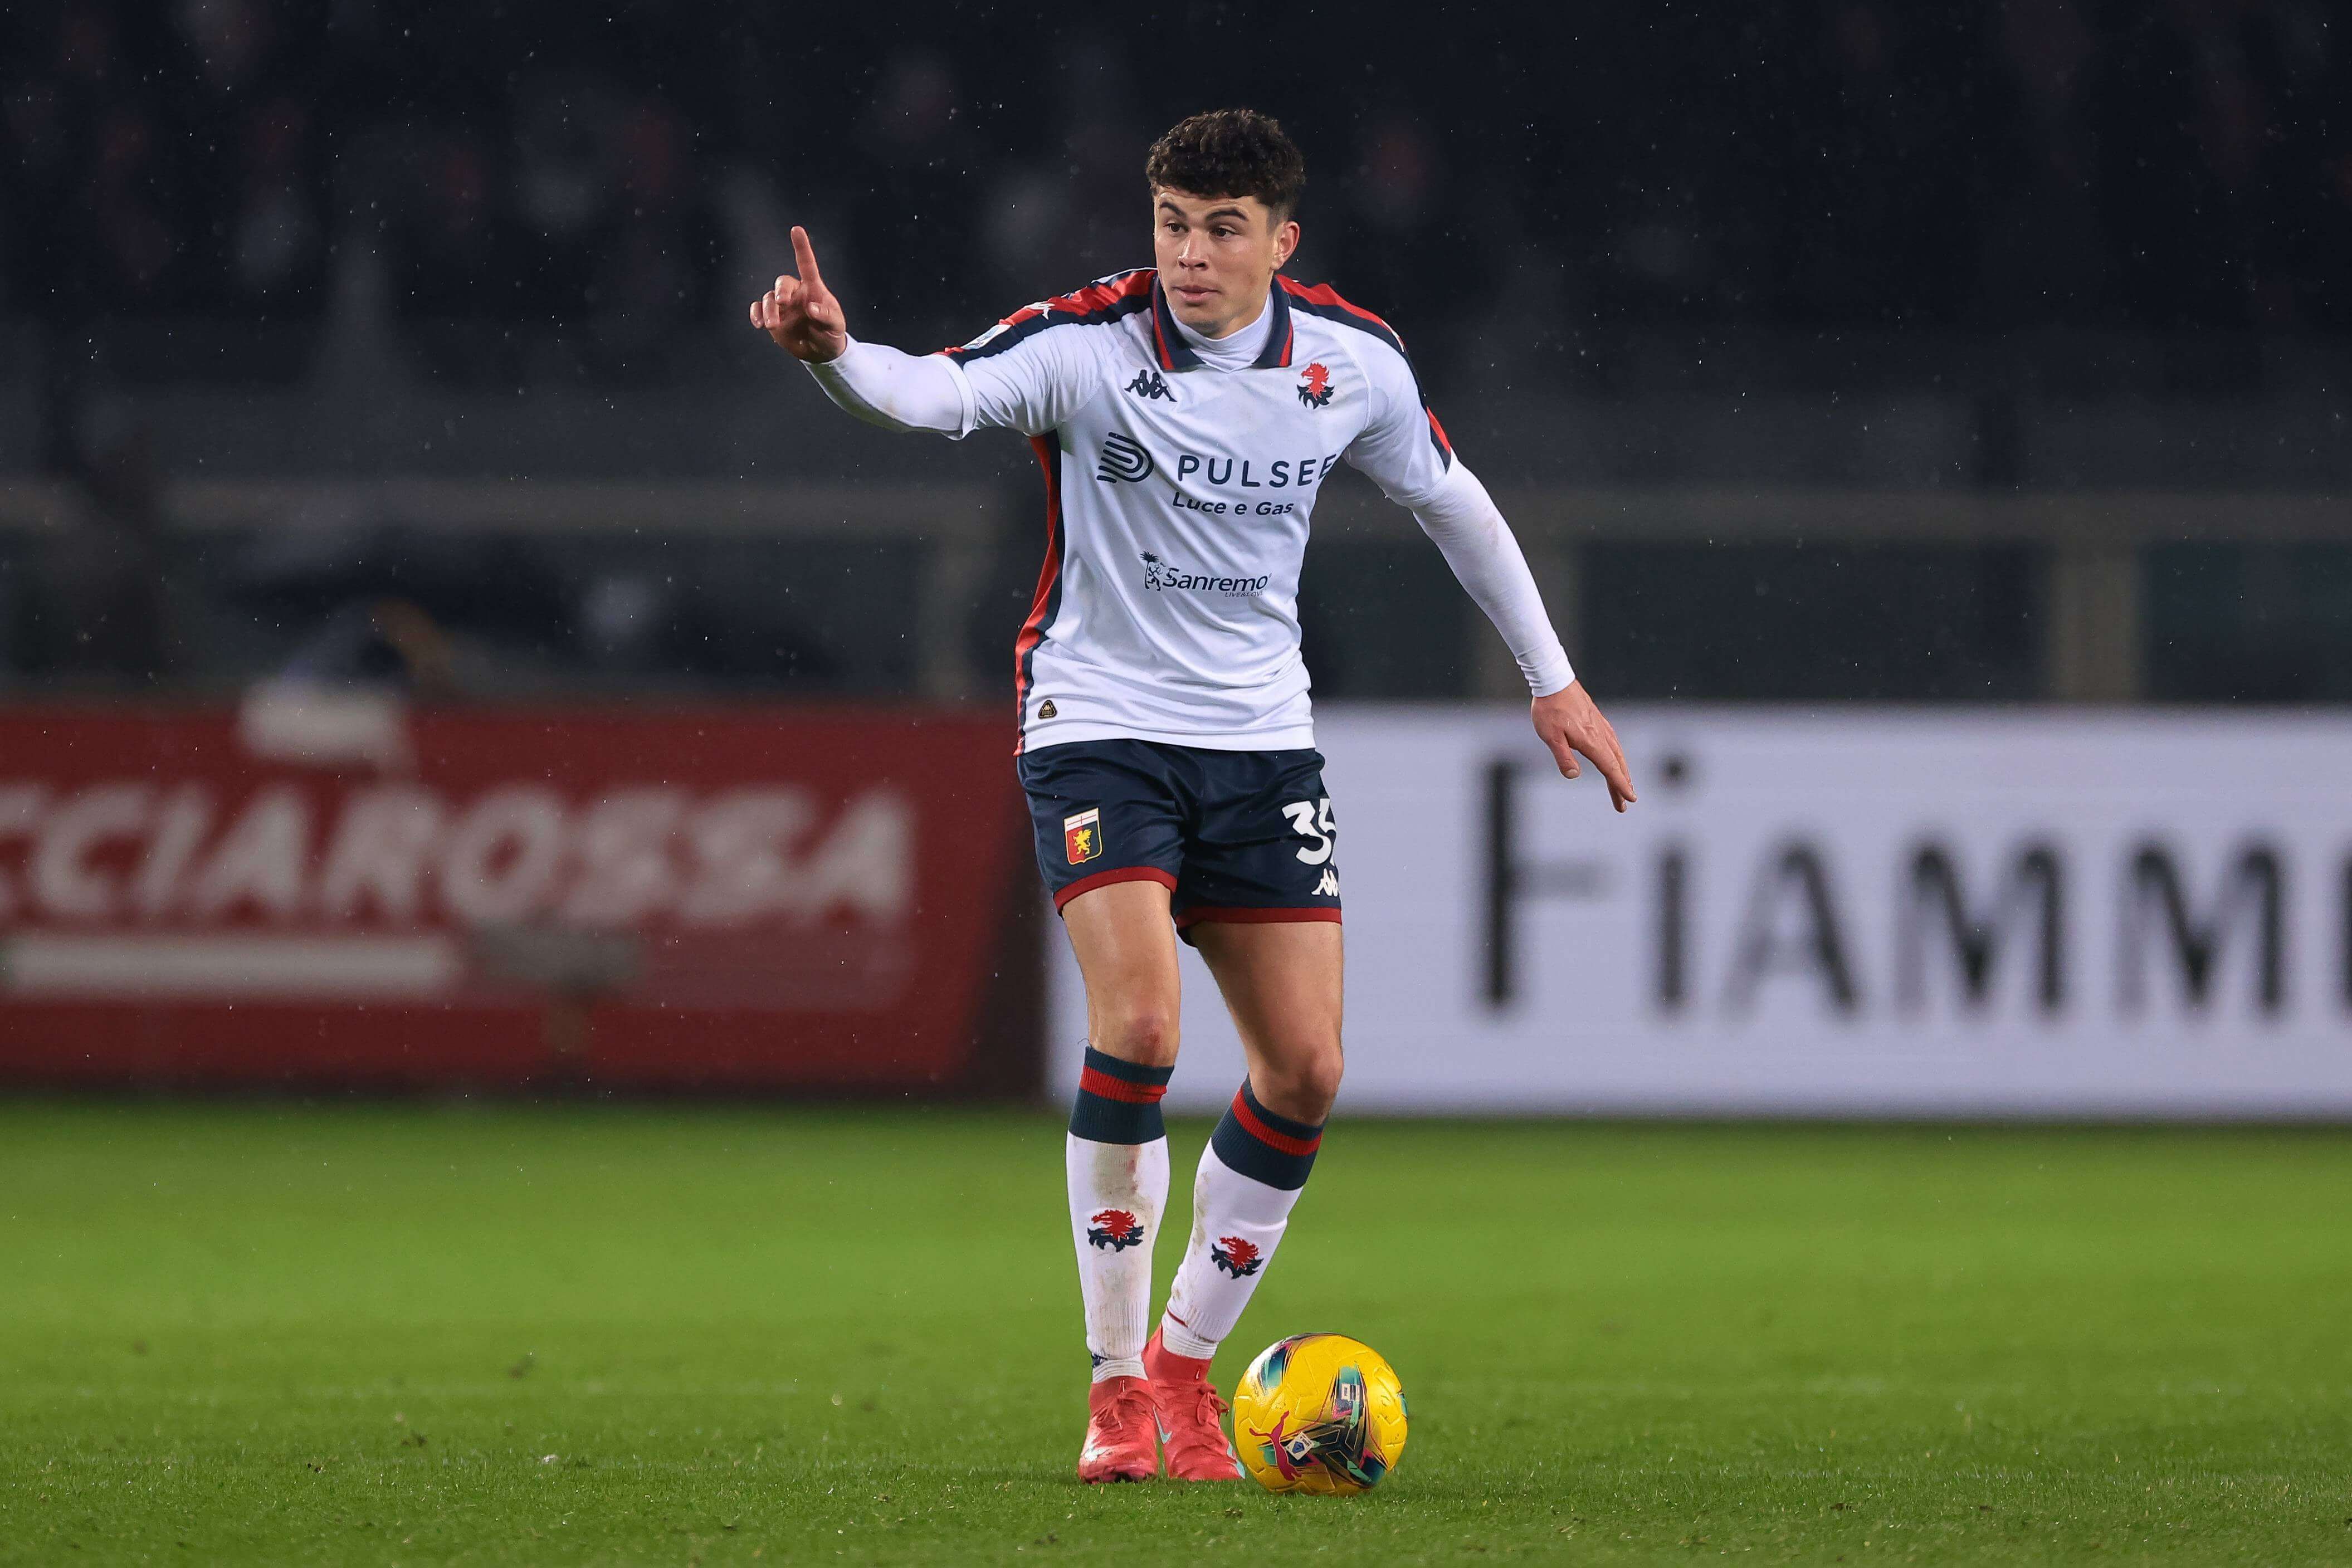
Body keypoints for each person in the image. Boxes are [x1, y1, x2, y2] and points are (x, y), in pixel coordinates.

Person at [752, 108, 1634, 1484]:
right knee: (1142, 1024)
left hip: (1260, 746)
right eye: (1171, 224)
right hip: (1098, 726)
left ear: (1282, 241)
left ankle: (1182, 1368)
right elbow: (931, 392)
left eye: (1223, 230)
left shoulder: (1349, 362)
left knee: (1306, 1070)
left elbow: (1452, 501)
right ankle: (1114, 1390)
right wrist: (833, 356)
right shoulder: (1086, 345)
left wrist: (1552, 679)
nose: (1190, 255)